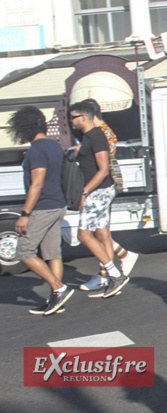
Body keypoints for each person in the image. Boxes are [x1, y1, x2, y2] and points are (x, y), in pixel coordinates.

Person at [8, 106, 73, 315]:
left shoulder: (36, 149)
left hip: (43, 207)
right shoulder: (53, 146)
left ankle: (58, 288)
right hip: (58, 204)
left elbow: (37, 183)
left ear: (24, 128)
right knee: (53, 254)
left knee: (24, 251)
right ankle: (56, 298)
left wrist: (25, 214)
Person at [69, 100, 129, 299]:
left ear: (83, 117)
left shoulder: (96, 135)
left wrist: (84, 192)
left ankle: (115, 274)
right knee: (102, 234)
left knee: (84, 236)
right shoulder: (88, 136)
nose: (71, 122)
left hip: (98, 192)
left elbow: (103, 170)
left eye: (73, 117)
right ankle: (107, 279)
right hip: (99, 191)